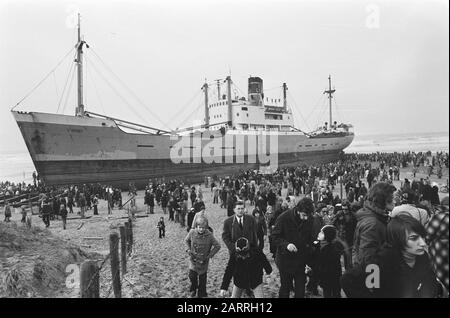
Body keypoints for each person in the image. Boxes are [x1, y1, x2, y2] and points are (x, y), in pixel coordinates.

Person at [342, 214, 439, 298]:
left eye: (422, 237)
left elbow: (429, 283)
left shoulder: (422, 257)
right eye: (413, 238)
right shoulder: (382, 261)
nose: (422, 243)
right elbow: (349, 280)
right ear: (397, 239)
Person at [271, 197, 315, 298]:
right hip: (285, 261)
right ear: (298, 210)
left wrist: (309, 260)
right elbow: (274, 236)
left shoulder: (309, 218)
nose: (306, 218)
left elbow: (310, 239)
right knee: (285, 289)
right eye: (304, 215)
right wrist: (286, 245)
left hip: (301, 261)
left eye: (308, 216)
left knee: (300, 291)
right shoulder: (283, 218)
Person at [352, 182, 396, 269]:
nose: (394, 201)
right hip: (374, 278)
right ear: (383, 200)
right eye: (392, 198)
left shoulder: (373, 216)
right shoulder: (372, 225)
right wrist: (374, 282)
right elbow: (368, 262)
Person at [220, 200, 258, 297]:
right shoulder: (228, 222)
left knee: (249, 268)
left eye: (242, 208)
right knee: (236, 271)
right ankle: (239, 287)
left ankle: (248, 288)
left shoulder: (250, 219)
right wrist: (233, 248)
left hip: (249, 251)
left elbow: (254, 235)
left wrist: (254, 248)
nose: (240, 211)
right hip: (235, 252)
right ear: (234, 210)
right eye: (238, 209)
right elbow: (225, 237)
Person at [185, 216, 221, 298]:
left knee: (202, 278)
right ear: (196, 227)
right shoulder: (192, 232)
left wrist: (210, 255)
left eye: (203, 228)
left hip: (203, 260)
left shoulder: (209, 235)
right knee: (192, 275)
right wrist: (188, 249)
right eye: (199, 227)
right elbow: (186, 240)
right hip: (193, 259)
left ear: (206, 227)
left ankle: (202, 293)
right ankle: (193, 288)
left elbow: (217, 246)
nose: (201, 229)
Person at [315, 225, 345, 298]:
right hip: (326, 277)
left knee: (334, 293)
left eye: (322, 232)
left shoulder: (331, 248)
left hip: (331, 276)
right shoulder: (320, 245)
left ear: (327, 235)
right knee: (327, 292)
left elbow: (323, 263)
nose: (319, 233)